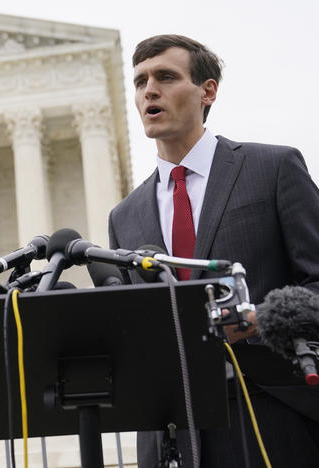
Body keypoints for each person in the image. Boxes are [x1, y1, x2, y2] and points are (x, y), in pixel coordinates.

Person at [108, 34, 319, 467]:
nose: (150, 89)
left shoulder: (273, 168)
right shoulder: (123, 216)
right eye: (141, 81)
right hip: (174, 434)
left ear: (207, 91)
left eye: (166, 76)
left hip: (273, 416)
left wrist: (261, 319)